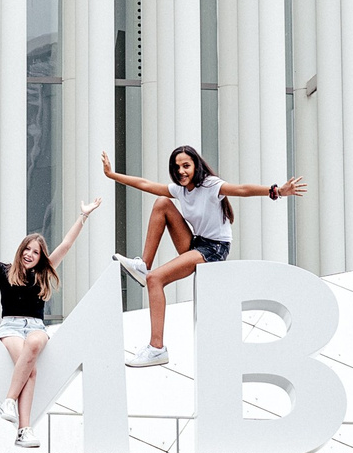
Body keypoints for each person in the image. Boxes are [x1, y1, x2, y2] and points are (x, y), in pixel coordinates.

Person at [100, 146, 306, 367]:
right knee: (161, 202)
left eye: (186, 166)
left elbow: (242, 189)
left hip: (215, 249)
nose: (181, 171)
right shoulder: (181, 190)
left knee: (155, 279)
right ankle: (143, 264)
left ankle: (157, 349)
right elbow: (146, 184)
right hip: (197, 242)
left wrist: (276, 190)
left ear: (196, 166)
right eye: (177, 167)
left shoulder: (211, 185)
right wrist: (112, 175)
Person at [0, 198, 102, 449]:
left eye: (35, 252)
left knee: (33, 346)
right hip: (10, 327)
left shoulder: (44, 272)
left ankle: (9, 400)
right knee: (30, 370)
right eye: (27, 249)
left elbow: (66, 245)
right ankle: (24, 430)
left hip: (36, 327)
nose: (30, 254)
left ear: (40, 257)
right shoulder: (4, 271)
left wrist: (83, 216)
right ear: (20, 250)